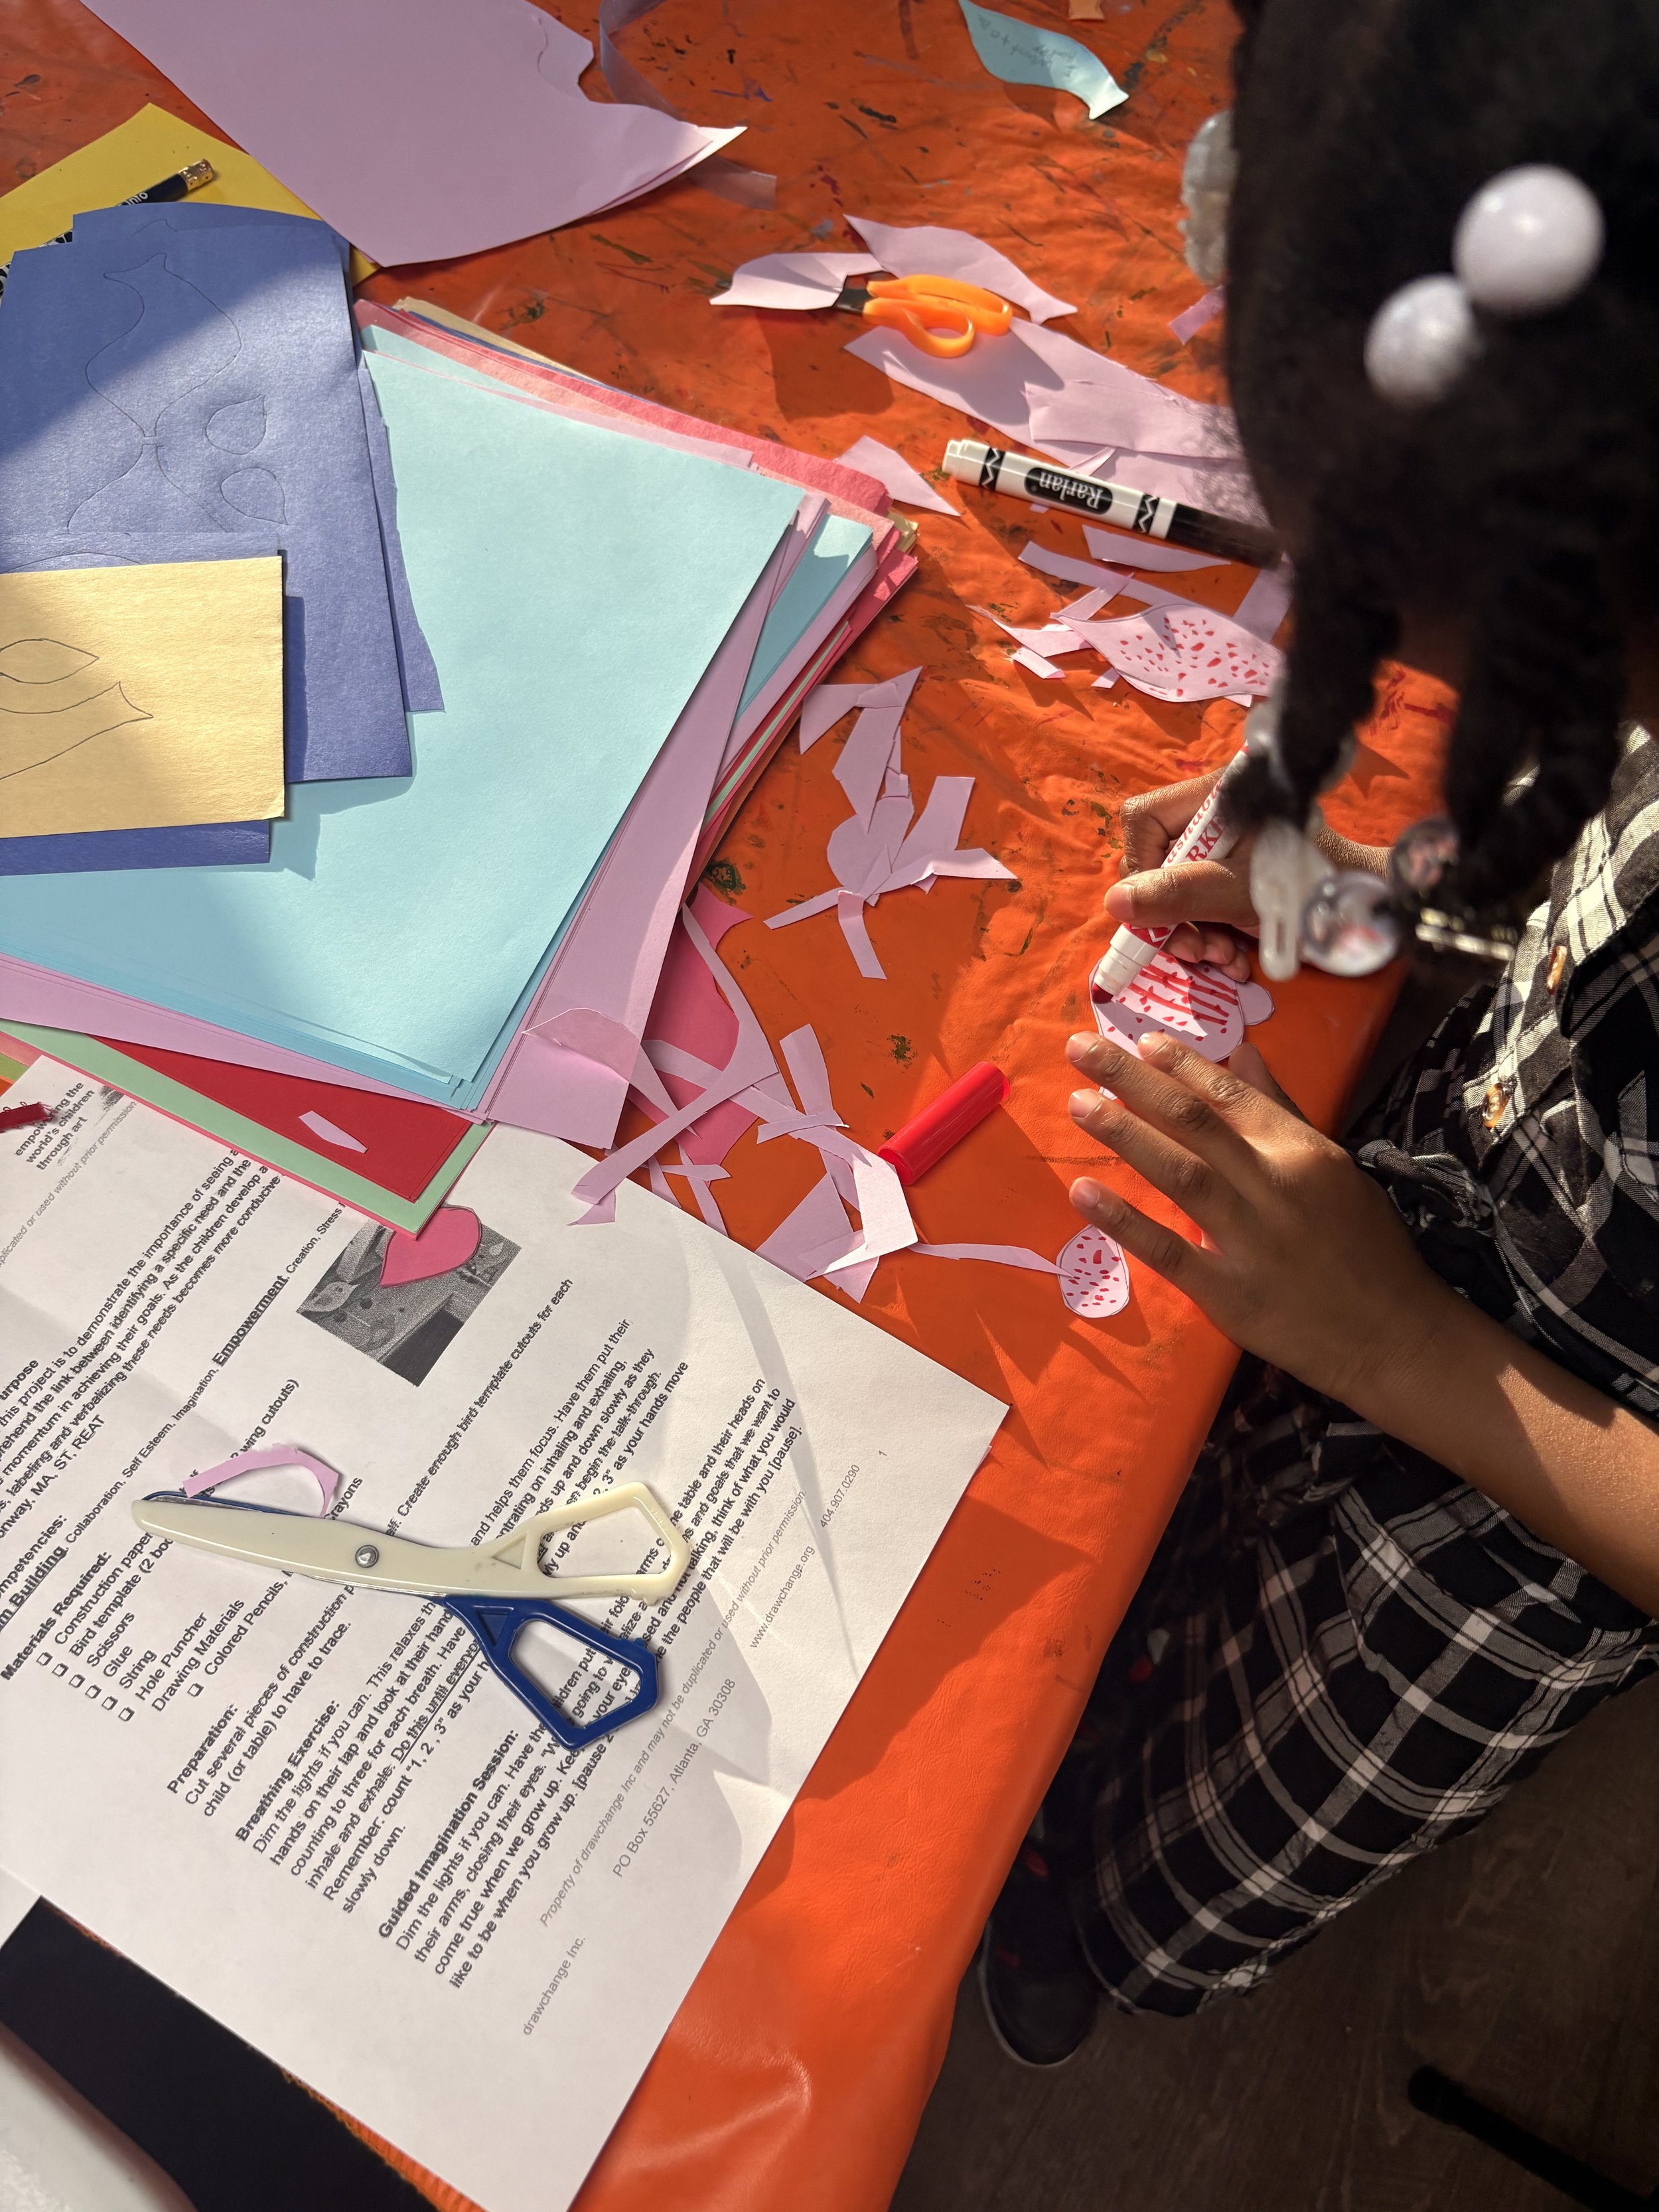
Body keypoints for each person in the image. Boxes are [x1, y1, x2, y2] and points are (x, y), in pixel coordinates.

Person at [981, 0, 1659, 2064]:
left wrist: (1395, 1345)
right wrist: (1387, 904)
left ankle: (1067, 1942)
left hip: (1508, 1523)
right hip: (1454, 1206)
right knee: (1169, 1506)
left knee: (1190, 1811)